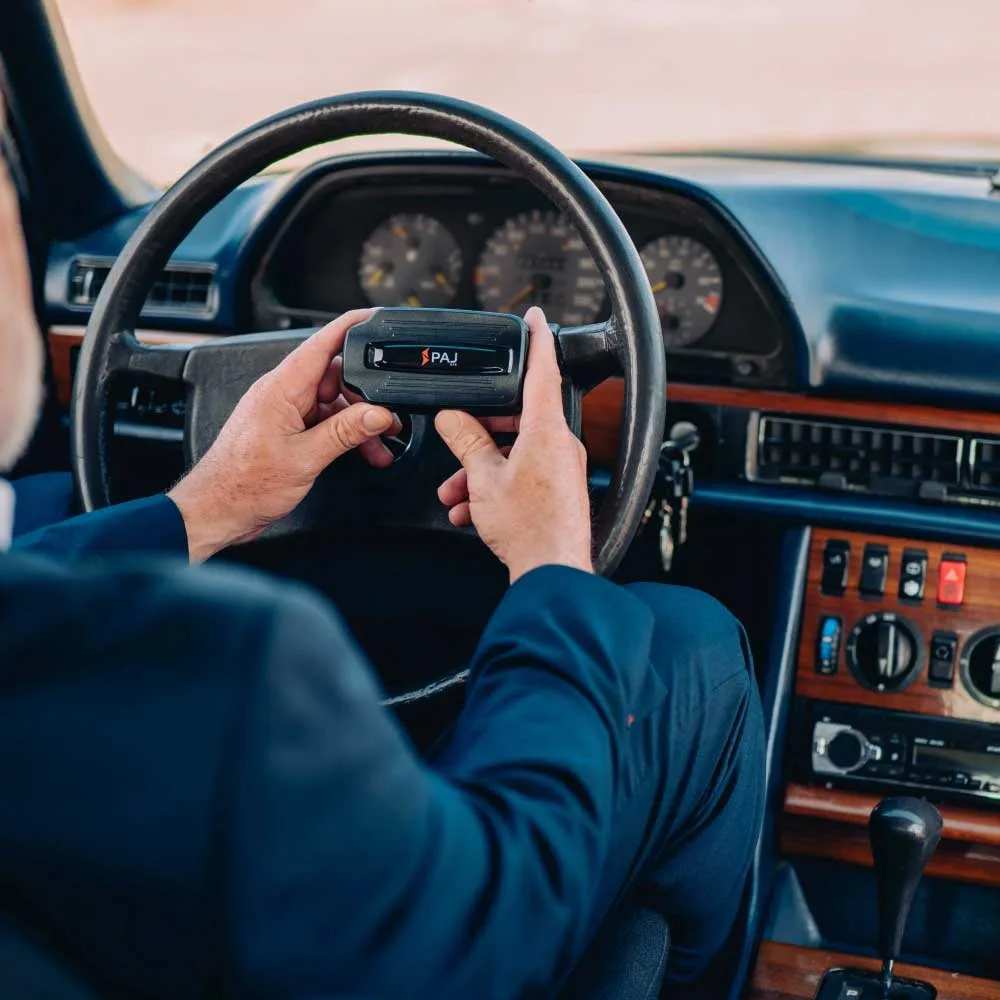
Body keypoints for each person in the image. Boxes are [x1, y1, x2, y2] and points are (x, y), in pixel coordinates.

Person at [0, 135, 765, 999]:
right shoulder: (237, 674)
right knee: (693, 644)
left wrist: (205, 504)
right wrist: (552, 566)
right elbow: (490, 926)